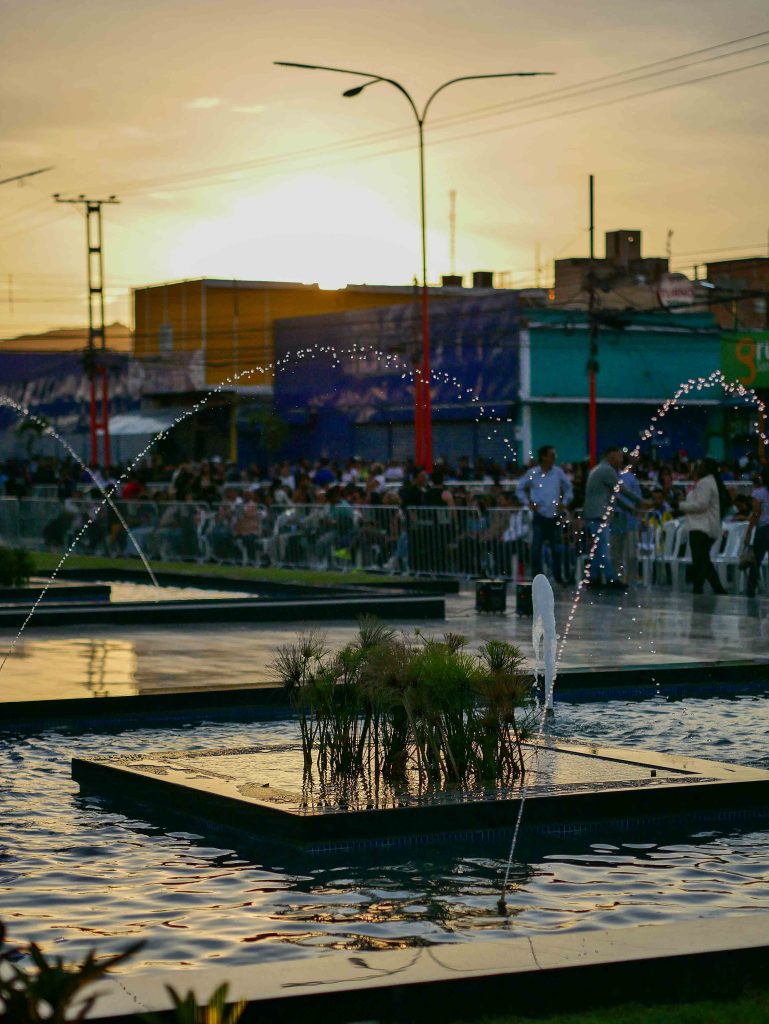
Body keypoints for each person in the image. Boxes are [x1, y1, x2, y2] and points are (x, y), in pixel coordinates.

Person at [515, 445, 573, 584]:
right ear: (544, 457)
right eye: (552, 455)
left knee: (556, 549)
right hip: (539, 515)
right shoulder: (533, 473)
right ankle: (537, 578)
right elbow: (519, 488)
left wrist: (564, 502)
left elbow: (568, 488)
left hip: (554, 515)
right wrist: (528, 502)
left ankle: (558, 577)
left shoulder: (558, 472)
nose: (554, 458)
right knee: (536, 549)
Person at [678, 458, 730, 595]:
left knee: (700, 560)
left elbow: (701, 505)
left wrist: (681, 505)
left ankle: (701, 588)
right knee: (703, 560)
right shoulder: (709, 482)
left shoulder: (705, 483)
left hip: (701, 526)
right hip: (705, 526)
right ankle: (716, 588)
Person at [582, 447, 624, 588]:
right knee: (603, 548)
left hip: (594, 514)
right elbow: (622, 490)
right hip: (598, 514)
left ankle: (593, 578)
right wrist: (640, 502)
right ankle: (611, 578)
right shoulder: (607, 470)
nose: (621, 460)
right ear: (611, 457)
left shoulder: (597, 469)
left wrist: (631, 507)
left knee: (598, 548)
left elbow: (615, 496)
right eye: (619, 457)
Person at [745, 465, 769, 598]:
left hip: (764, 530)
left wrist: (749, 531)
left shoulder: (758, 493)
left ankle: (751, 589)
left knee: (756, 561)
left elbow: (756, 514)